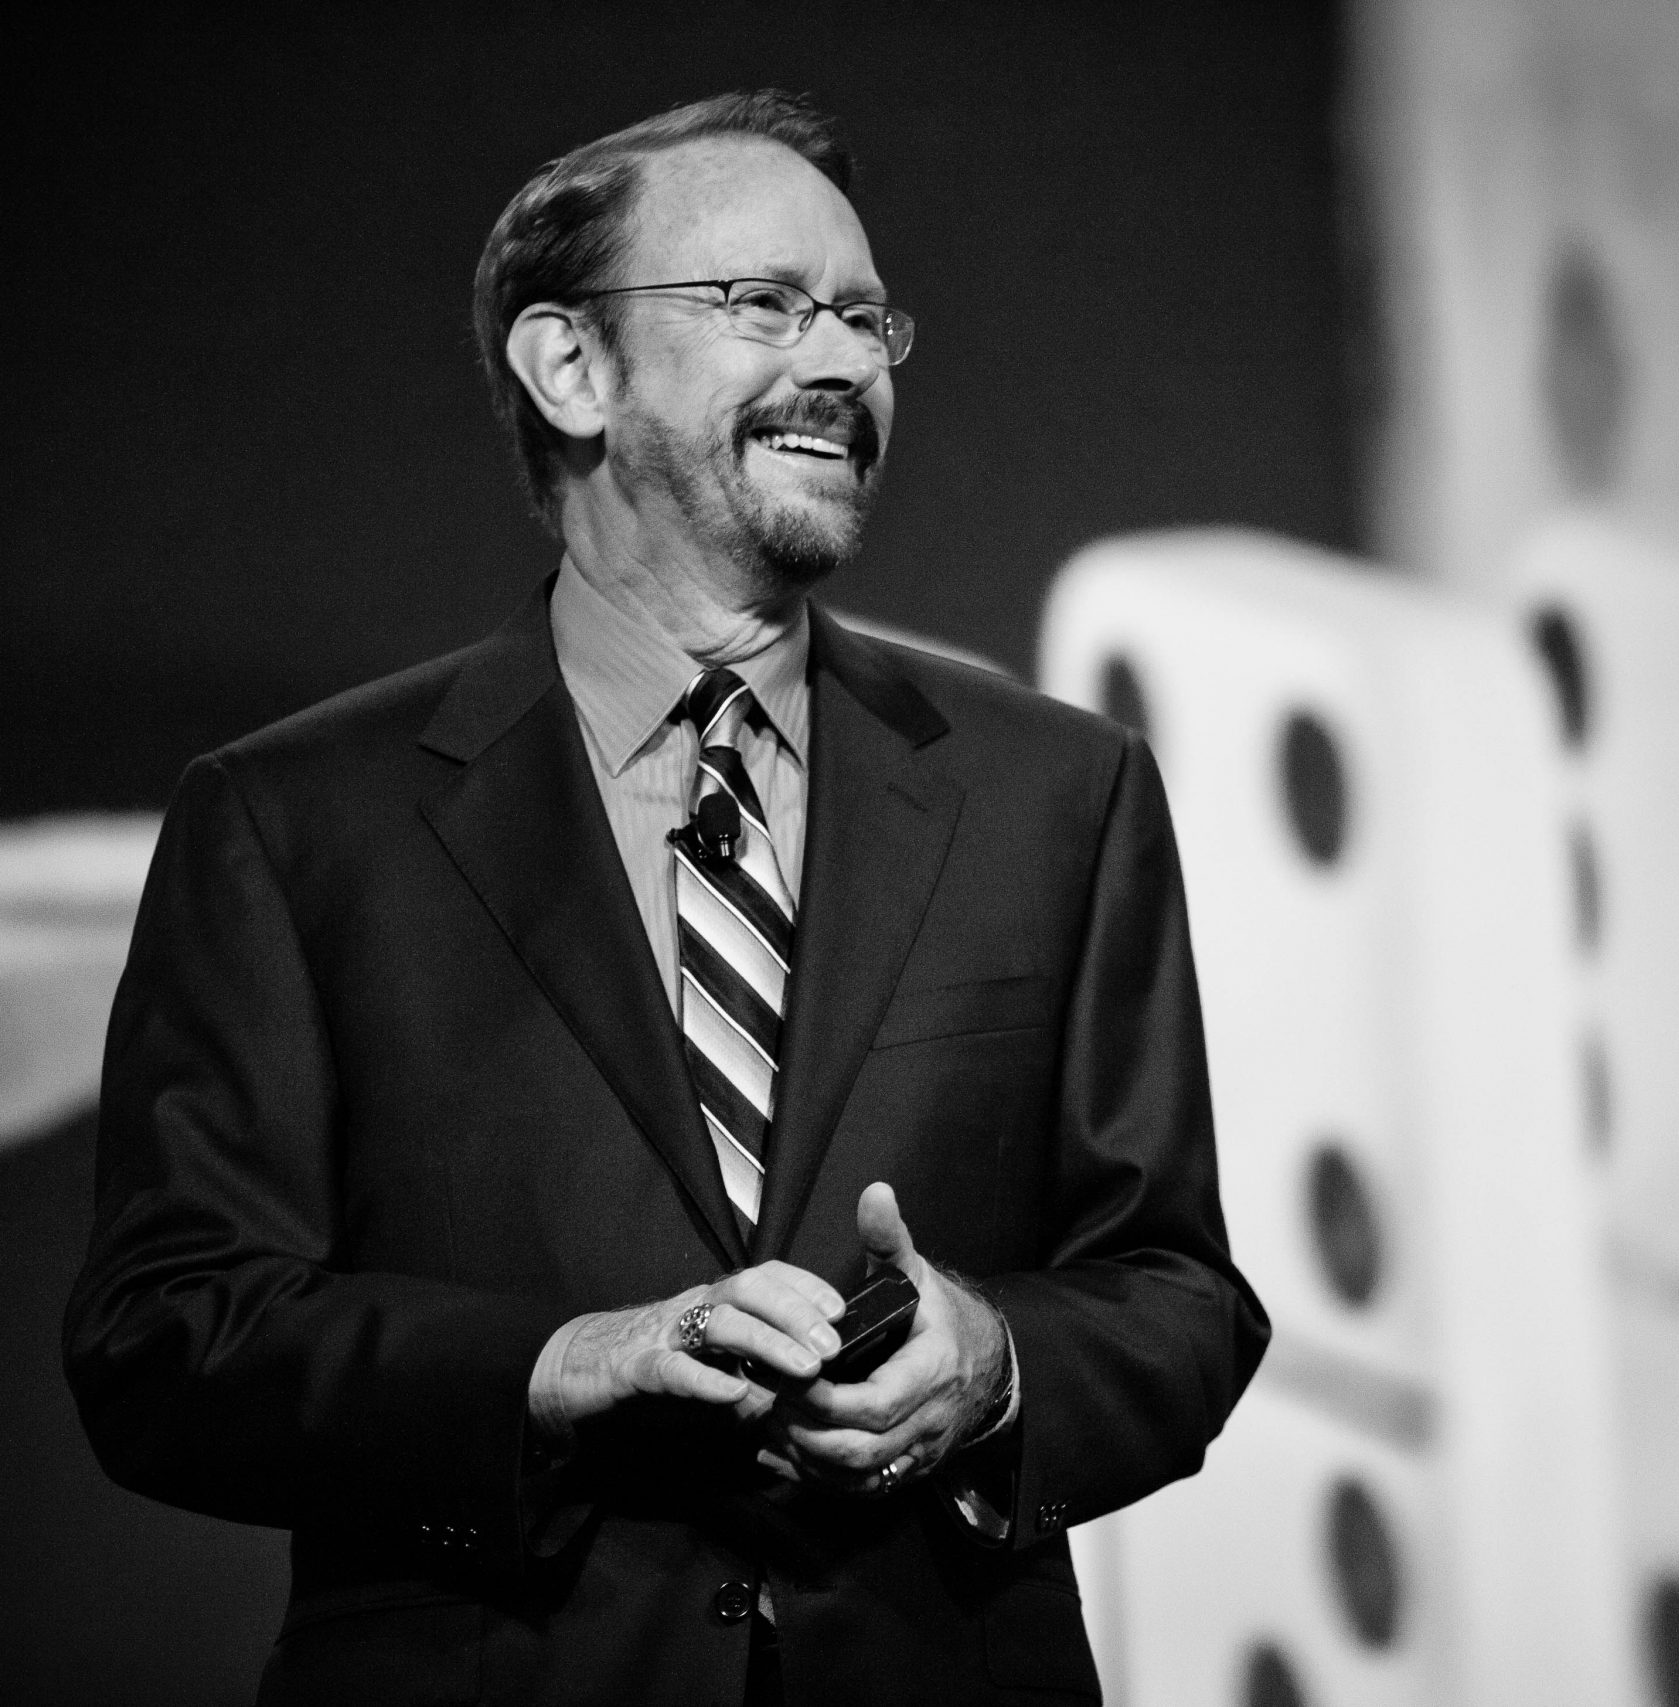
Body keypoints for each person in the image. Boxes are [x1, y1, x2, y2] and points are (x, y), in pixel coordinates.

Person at [63, 89, 1265, 1707]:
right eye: (766, 303)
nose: (841, 364)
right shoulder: (294, 822)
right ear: (571, 366)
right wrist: (564, 1367)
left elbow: (1180, 1297)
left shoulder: (1059, 792)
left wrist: (991, 1365)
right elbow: (166, 1340)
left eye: (865, 319)